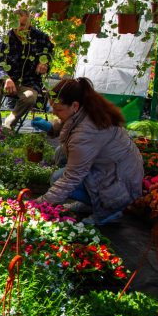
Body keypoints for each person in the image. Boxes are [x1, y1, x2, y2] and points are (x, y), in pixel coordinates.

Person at [35, 77, 143, 225]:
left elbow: (72, 178)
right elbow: (69, 124)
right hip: (114, 173)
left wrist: (40, 204)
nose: (54, 113)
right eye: (53, 108)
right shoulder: (87, 110)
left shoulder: (87, 132)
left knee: (57, 178)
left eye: (58, 109)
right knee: (61, 152)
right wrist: (51, 128)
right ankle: (91, 203)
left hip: (120, 186)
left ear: (75, 105)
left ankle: (107, 211)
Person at [0, 7, 54, 130]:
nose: (19, 28)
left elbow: (49, 51)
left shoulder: (40, 38)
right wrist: (6, 78)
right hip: (6, 81)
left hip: (28, 82)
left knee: (30, 97)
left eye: (23, 25)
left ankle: (8, 125)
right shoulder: (4, 39)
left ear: (30, 24)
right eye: (15, 24)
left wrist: (44, 63)